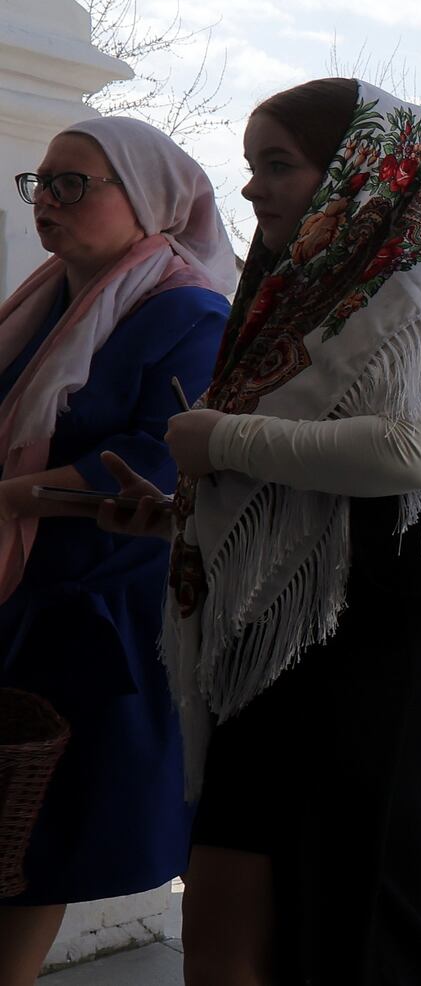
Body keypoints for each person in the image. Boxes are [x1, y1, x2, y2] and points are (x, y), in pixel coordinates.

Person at [97, 81, 421, 982]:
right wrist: (181, 510)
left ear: (359, 170)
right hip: (278, 643)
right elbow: (292, 474)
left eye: (278, 164)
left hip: (380, 642)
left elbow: (414, 454)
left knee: (361, 930)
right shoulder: (296, 298)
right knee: (226, 918)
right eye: (253, 165)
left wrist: (224, 440)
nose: (251, 189)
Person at [0, 120, 230, 981]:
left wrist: (16, 496)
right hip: (24, 595)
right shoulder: (41, 301)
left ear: (144, 204)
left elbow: (163, 455)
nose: (48, 203)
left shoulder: (188, 311)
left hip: (98, 607)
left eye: (73, 185)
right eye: (41, 184)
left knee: (35, 839)